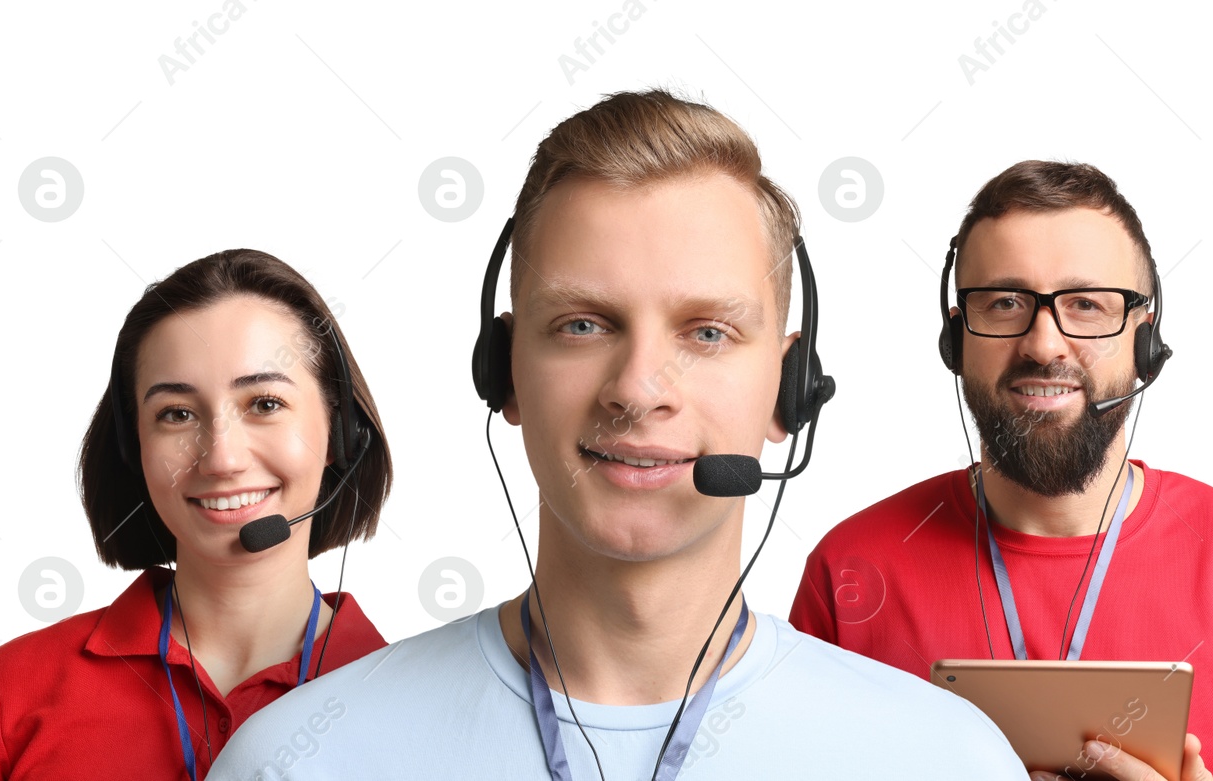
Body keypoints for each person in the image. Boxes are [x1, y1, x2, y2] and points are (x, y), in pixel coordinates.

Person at [207, 89, 1024, 780]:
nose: (638, 388)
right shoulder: (295, 761)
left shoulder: (947, 759)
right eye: (583, 324)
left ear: (791, 388)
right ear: (504, 371)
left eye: (706, 332)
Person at [790, 160, 1213, 780]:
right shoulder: (851, 567)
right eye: (1006, 302)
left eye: (1088, 305)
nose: (1044, 345)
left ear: (1144, 343)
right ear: (955, 340)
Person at [0, 250, 394, 779]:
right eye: (177, 414)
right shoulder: (15, 693)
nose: (222, 458)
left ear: (341, 430)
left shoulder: (414, 701)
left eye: (264, 403)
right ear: (135, 447)